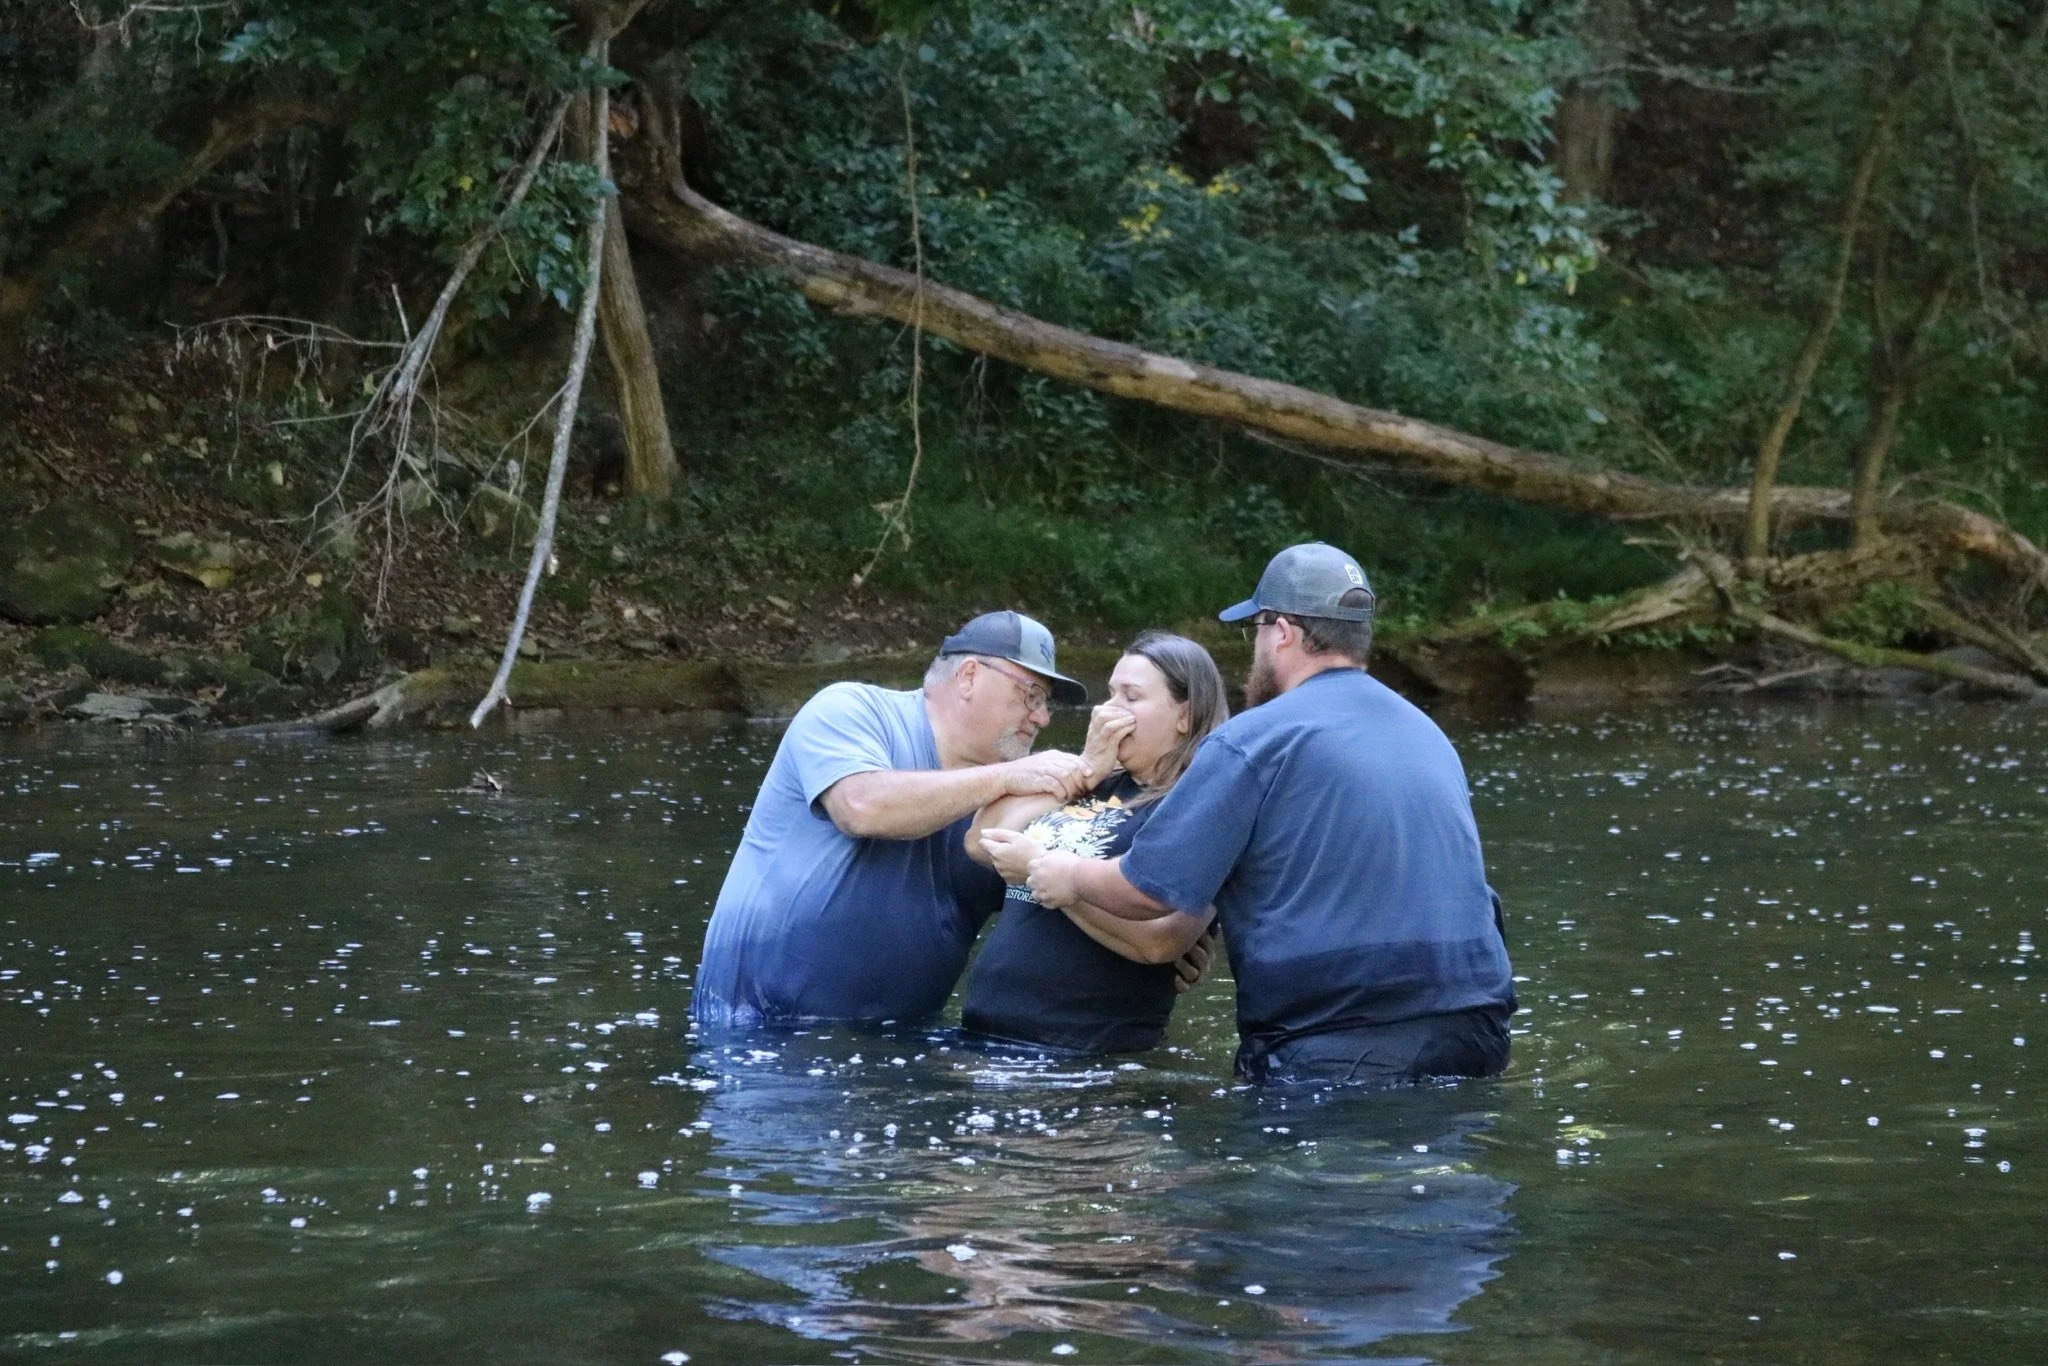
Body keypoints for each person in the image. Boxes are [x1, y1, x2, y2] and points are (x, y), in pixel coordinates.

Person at [1024, 543, 1516, 1085]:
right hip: (1479, 1028)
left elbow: (1149, 891)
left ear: (1280, 631)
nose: (1255, 646)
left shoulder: (1252, 740)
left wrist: (1064, 875)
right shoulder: (1428, 734)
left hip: (1338, 1043)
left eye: (1255, 629)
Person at [691, 610, 1094, 1027]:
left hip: (900, 1050)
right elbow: (860, 807)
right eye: (1031, 694)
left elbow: (1064, 895)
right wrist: (1006, 777)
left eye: (1045, 702)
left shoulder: (1012, 800)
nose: (1042, 717)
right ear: (969, 676)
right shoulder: (849, 709)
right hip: (753, 1031)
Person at [958, 631, 1229, 1054]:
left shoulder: (1201, 806)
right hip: (985, 1036)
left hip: (1085, 1052)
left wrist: (1045, 874)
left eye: (1131, 697)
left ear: (1185, 715)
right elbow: (980, 840)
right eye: (1110, 694)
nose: (1107, 711)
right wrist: (1085, 770)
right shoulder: (1092, 779)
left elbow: (1160, 940)